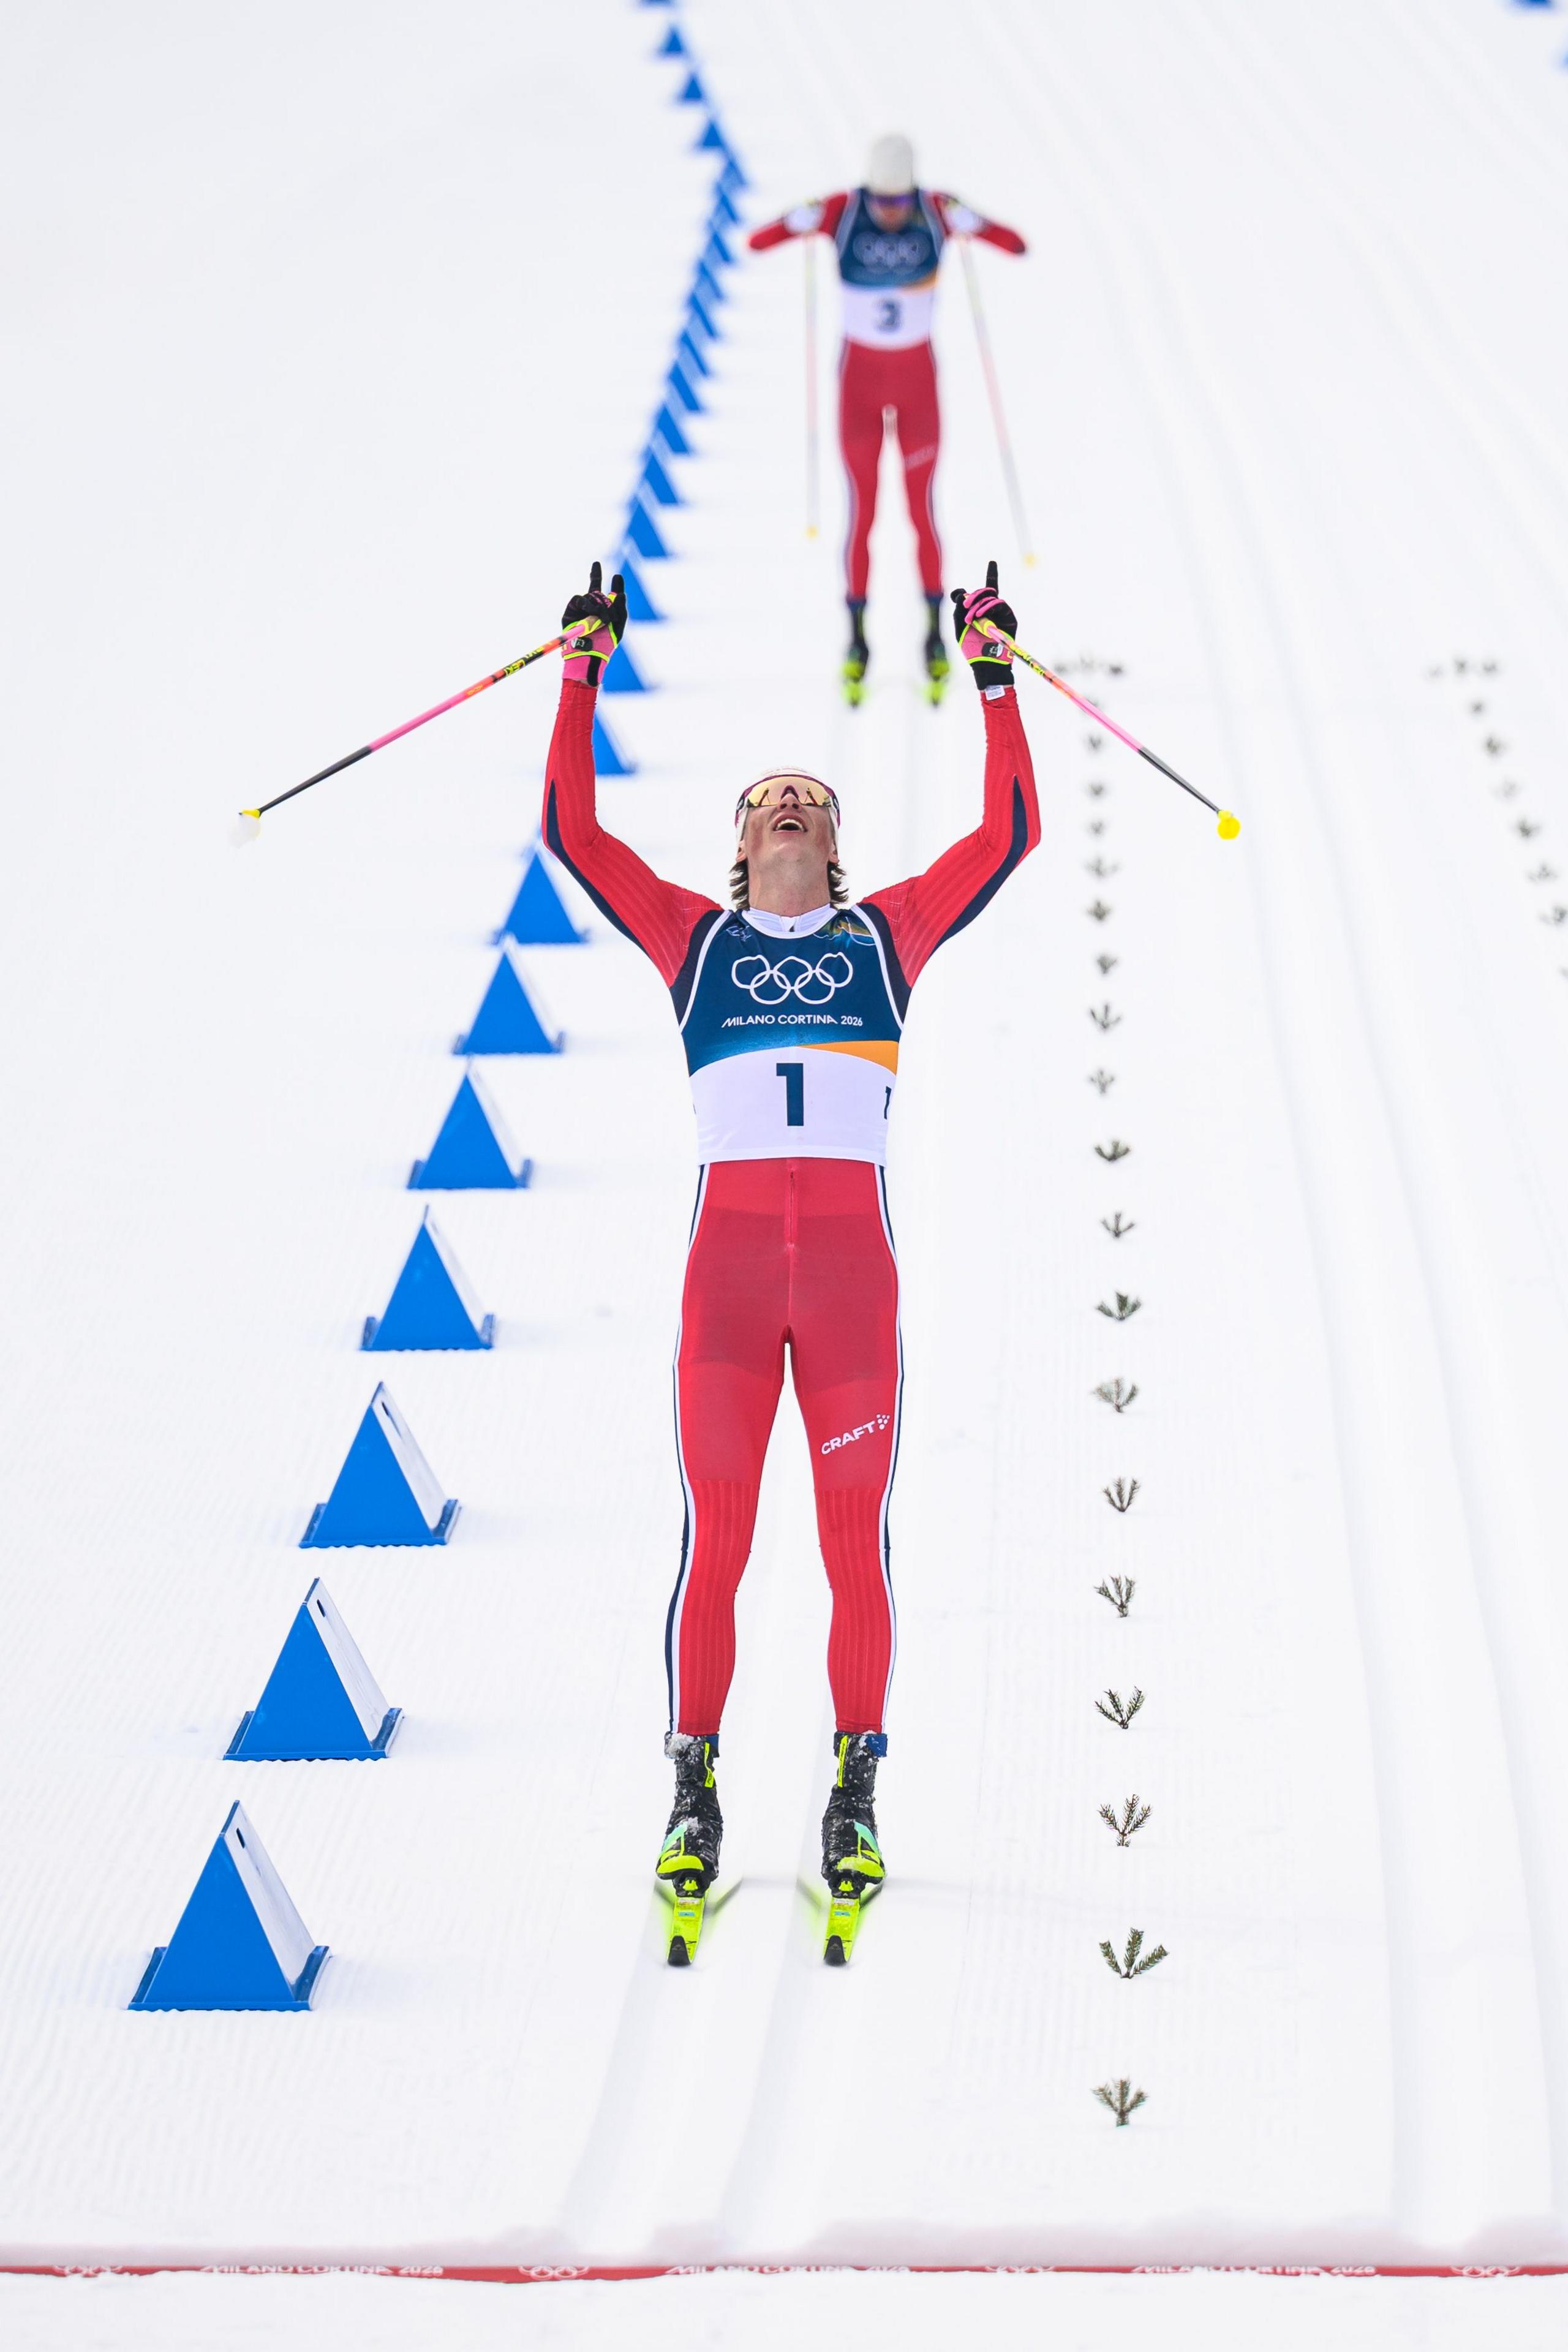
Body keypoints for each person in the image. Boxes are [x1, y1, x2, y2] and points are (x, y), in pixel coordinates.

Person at [542, 559, 1040, 1959]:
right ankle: (691, 1790)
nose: (788, 803)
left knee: (849, 1549)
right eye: (766, 797)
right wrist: (580, 668)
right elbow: (573, 832)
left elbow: (1006, 833)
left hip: (846, 1291)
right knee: (717, 1540)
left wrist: (991, 676)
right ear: (739, 842)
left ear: (831, 845)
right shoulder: (691, 942)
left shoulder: (886, 933)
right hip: (727, 1288)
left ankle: (853, 1793)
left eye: (809, 800)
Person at [748, 134, 1026, 705]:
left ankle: (935, 636)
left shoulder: (937, 210)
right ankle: (856, 640)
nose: (892, 213)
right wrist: (795, 221)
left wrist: (975, 222)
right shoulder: (841, 211)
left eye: (899, 202)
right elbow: (757, 242)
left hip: (918, 384)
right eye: (882, 202)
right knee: (863, 513)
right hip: (860, 388)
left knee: (923, 511)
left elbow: (1015, 246)